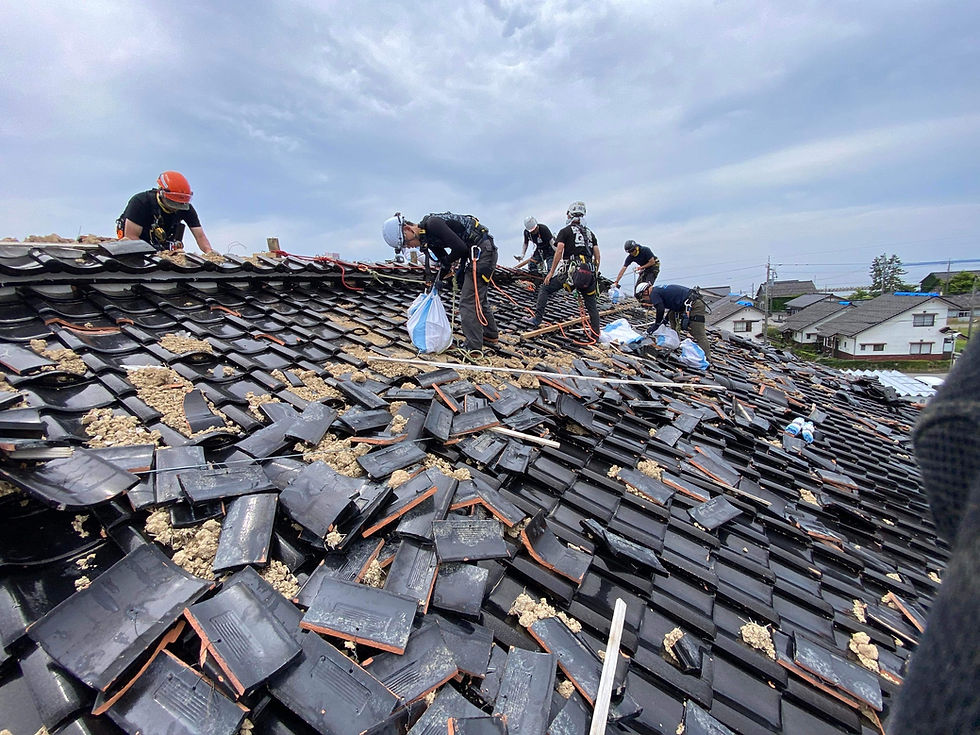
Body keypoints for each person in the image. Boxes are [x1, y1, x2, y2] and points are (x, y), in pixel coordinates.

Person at [383, 211, 498, 354]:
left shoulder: (433, 224)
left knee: (467, 301)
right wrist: (437, 280)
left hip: (482, 252)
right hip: (478, 253)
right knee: (476, 295)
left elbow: (460, 249)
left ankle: (473, 346)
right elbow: (444, 261)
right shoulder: (428, 240)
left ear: (408, 229)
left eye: (406, 242)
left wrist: (447, 269)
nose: (409, 247)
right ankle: (490, 335)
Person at [526, 201, 601, 337]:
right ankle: (596, 335)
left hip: (572, 271)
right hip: (589, 272)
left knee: (545, 288)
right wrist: (593, 273)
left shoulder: (565, 231)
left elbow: (559, 251)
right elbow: (598, 256)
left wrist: (551, 272)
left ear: (570, 215)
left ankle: (537, 319)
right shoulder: (590, 234)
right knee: (591, 305)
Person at [117, 171, 213, 253]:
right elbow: (131, 237)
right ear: (161, 192)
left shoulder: (184, 207)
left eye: (179, 204)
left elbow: (200, 236)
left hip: (164, 245)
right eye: (173, 202)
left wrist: (210, 252)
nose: (176, 207)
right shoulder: (140, 202)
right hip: (139, 243)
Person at [637, 282, 710, 358]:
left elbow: (660, 308)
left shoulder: (654, 293)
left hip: (694, 305)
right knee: (672, 316)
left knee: (698, 332)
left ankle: (707, 358)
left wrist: (657, 325)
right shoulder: (658, 290)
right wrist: (664, 321)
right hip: (685, 304)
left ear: (645, 292)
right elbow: (672, 307)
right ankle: (675, 342)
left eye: (643, 297)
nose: (646, 301)